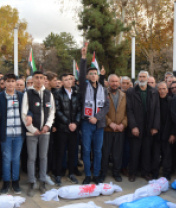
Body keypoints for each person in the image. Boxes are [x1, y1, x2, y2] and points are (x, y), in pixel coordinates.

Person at [21, 71, 55, 196]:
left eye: (41, 78)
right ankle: (31, 182)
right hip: (32, 133)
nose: (39, 80)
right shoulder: (28, 93)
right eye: (37, 78)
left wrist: (47, 126)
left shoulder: (48, 93)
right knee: (31, 158)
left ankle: (42, 182)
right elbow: (24, 113)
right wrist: (33, 130)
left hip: (45, 132)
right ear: (33, 79)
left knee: (43, 157)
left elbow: (52, 112)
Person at [79, 46, 109, 184]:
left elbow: (106, 106)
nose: (93, 75)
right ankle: (87, 175)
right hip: (86, 124)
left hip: (99, 124)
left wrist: (96, 117)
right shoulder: (84, 87)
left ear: (98, 76)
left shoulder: (103, 89)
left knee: (97, 151)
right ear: (87, 76)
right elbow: (80, 76)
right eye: (90, 74)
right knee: (85, 150)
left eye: (95, 74)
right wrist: (83, 58)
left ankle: (96, 174)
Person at [0, 74, 26, 194]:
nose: (11, 84)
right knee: (6, 159)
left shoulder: (22, 96)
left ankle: (16, 182)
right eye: (8, 81)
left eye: (13, 81)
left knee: (16, 158)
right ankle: (6, 182)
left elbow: (27, 112)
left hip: (19, 133)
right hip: (5, 134)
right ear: (4, 82)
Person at [126, 70, 160, 182]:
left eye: (144, 77)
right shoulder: (131, 91)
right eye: (140, 76)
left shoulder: (154, 91)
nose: (141, 79)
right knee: (134, 152)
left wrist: (155, 126)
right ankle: (132, 173)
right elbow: (129, 110)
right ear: (138, 78)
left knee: (146, 152)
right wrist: (133, 126)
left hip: (148, 126)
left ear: (147, 78)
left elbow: (157, 110)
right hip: (136, 126)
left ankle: (145, 172)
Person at [53, 74, 82, 186]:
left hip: (74, 129)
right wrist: (68, 123)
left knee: (72, 152)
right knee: (60, 152)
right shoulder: (57, 94)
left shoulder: (76, 94)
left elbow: (79, 110)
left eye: (70, 79)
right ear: (62, 82)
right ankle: (58, 175)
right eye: (66, 79)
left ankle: (71, 174)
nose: (69, 81)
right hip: (62, 128)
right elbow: (57, 110)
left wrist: (75, 123)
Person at [99, 74, 127, 183]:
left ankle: (116, 172)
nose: (114, 83)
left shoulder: (124, 95)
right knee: (105, 153)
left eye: (116, 81)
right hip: (107, 129)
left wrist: (123, 124)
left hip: (120, 129)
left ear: (119, 82)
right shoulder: (102, 94)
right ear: (108, 82)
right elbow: (100, 110)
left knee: (117, 153)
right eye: (112, 81)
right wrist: (110, 123)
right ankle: (103, 173)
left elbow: (128, 112)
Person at [151, 82, 175, 180]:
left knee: (167, 155)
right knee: (155, 155)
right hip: (155, 132)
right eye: (159, 89)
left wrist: (173, 133)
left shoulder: (171, 101)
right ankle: (155, 173)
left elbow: (174, 119)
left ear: (167, 90)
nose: (162, 91)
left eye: (164, 88)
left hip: (168, 132)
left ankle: (166, 173)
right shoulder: (153, 100)